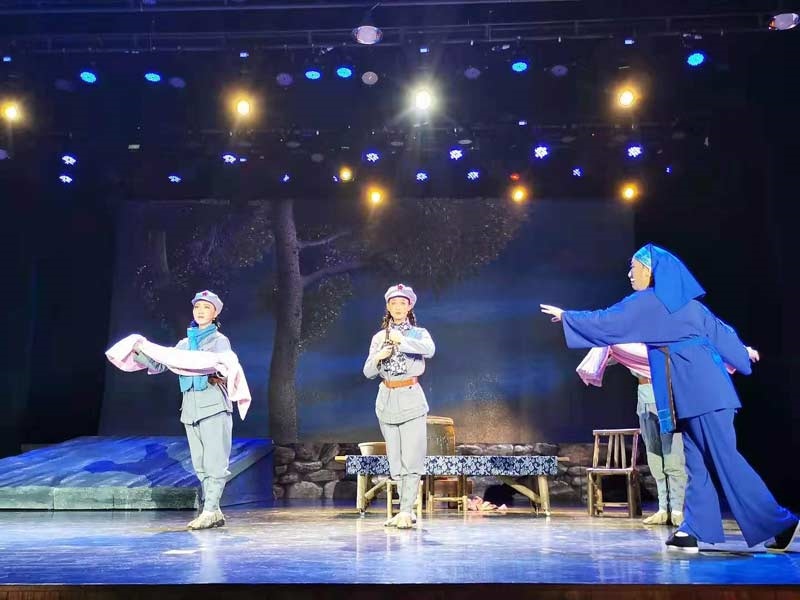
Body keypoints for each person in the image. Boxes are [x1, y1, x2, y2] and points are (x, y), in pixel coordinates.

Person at [542, 244, 798, 553]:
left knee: (725, 460)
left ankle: (780, 522)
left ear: (650, 271)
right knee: (697, 464)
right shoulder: (688, 305)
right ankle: (696, 529)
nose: (629, 274)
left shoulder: (650, 302)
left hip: (700, 394)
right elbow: (723, 335)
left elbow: (609, 321)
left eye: (634, 267)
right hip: (700, 394)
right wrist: (743, 356)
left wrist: (567, 316)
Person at [133, 290, 235, 530]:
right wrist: (139, 350)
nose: (201, 311)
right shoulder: (184, 344)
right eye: (197, 307)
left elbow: (225, 367)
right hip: (190, 408)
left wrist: (218, 371)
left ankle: (209, 510)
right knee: (200, 464)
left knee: (215, 462)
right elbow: (161, 364)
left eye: (206, 307)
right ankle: (214, 511)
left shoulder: (219, 341)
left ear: (215, 313)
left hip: (213, 406)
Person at [577, 343, 687, 526]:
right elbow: (611, 355)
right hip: (644, 398)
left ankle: (676, 510)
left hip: (667, 396)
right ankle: (663, 509)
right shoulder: (634, 344)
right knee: (654, 455)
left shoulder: (666, 340)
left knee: (673, 454)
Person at [363, 284, 435, 529]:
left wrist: (401, 340)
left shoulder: (418, 333)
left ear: (410, 306)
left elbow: (430, 350)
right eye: (393, 303)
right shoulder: (378, 337)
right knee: (395, 460)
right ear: (387, 307)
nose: (398, 307)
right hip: (386, 400)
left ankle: (406, 510)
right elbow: (368, 372)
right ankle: (403, 510)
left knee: (411, 458)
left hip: (411, 399)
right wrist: (377, 357)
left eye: (403, 303)